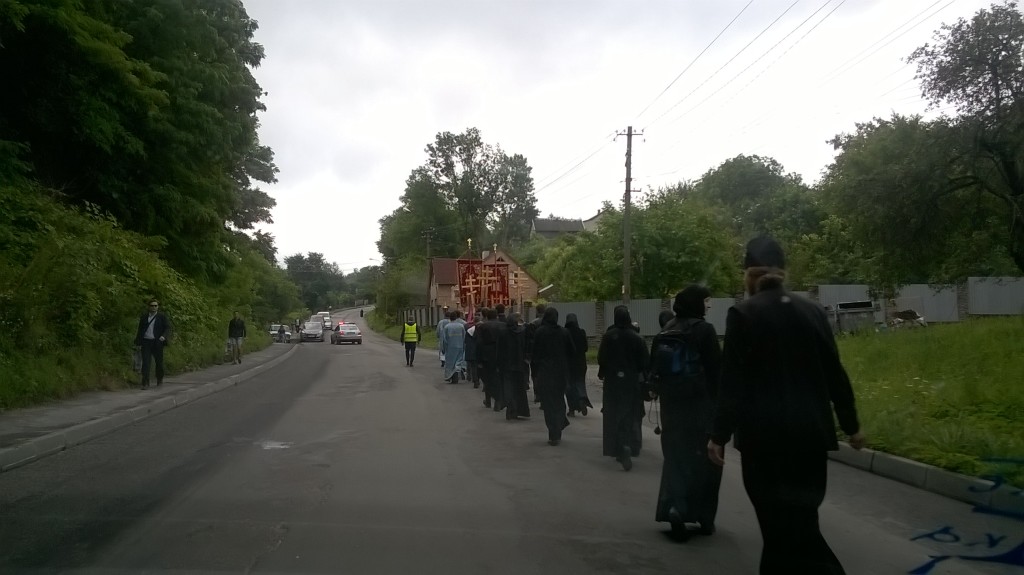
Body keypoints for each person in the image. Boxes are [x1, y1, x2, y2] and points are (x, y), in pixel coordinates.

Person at [708, 236, 865, 575]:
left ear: (748, 275)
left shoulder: (743, 314)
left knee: (777, 526)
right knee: (802, 520)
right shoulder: (814, 311)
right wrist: (851, 425)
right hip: (811, 437)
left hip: (764, 442)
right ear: (783, 272)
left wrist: (718, 434)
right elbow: (834, 372)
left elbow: (732, 381)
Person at [652, 285, 723, 540]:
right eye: (706, 301)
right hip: (700, 408)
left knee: (675, 459)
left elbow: (654, 369)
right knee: (707, 462)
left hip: (671, 408)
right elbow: (716, 372)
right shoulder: (704, 330)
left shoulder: (666, 330)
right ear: (697, 303)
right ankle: (704, 517)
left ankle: (674, 507)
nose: (709, 306)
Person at [598, 305, 648, 470]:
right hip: (631, 382)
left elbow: (601, 358)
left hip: (612, 382)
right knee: (629, 415)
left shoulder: (608, 336)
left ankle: (617, 447)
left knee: (613, 415)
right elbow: (644, 362)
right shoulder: (637, 338)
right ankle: (627, 444)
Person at [531, 307, 575, 445]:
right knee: (559, 399)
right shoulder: (564, 332)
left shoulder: (540, 332)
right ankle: (559, 424)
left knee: (548, 403)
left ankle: (553, 432)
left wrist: (534, 372)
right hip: (560, 372)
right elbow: (572, 352)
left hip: (545, 372)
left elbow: (535, 353)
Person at [498, 312, 531, 420]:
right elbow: (526, 346)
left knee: (508, 387)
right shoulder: (522, 332)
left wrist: (498, 363)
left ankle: (510, 407)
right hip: (519, 363)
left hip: (506, 364)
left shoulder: (503, 332)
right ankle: (518, 409)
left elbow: (499, 349)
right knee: (519, 388)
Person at [134, 299, 172, 389]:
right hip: (146, 342)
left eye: (155, 306)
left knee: (159, 362)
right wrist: (138, 342)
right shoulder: (144, 317)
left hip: (157, 342)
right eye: (152, 305)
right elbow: (140, 329)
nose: (154, 307)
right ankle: (145, 383)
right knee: (146, 362)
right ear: (149, 307)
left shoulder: (161, 317)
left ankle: (159, 379)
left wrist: (163, 336)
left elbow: (167, 327)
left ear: (158, 307)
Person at [564, 313, 594, 417]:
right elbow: (585, 348)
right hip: (581, 363)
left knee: (569, 386)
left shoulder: (565, 332)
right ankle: (582, 398)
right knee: (580, 382)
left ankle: (572, 409)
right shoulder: (581, 332)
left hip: (568, 363)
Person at [525, 303, 546, 403]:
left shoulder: (533, 323)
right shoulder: (550, 322)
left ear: (537, 311)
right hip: (547, 353)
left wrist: (528, 354)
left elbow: (529, 340)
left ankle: (537, 394)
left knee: (535, 374)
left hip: (535, 353)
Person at [441, 310, 467, 383]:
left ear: (450, 318)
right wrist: (464, 346)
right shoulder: (461, 326)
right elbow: (464, 337)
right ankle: (457, 375)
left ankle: (450, 376)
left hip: (450, 347)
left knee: (450, 363)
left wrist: (443, 348)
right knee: (458, 362)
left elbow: (444, 339)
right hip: (460, 346)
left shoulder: (447, 327)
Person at [465, 311, 483, 388]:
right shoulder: (483, 329)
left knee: (473, 366)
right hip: (481, 350)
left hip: (472, 349)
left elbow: (466, 341)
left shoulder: (469, 330)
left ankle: (475, 380)